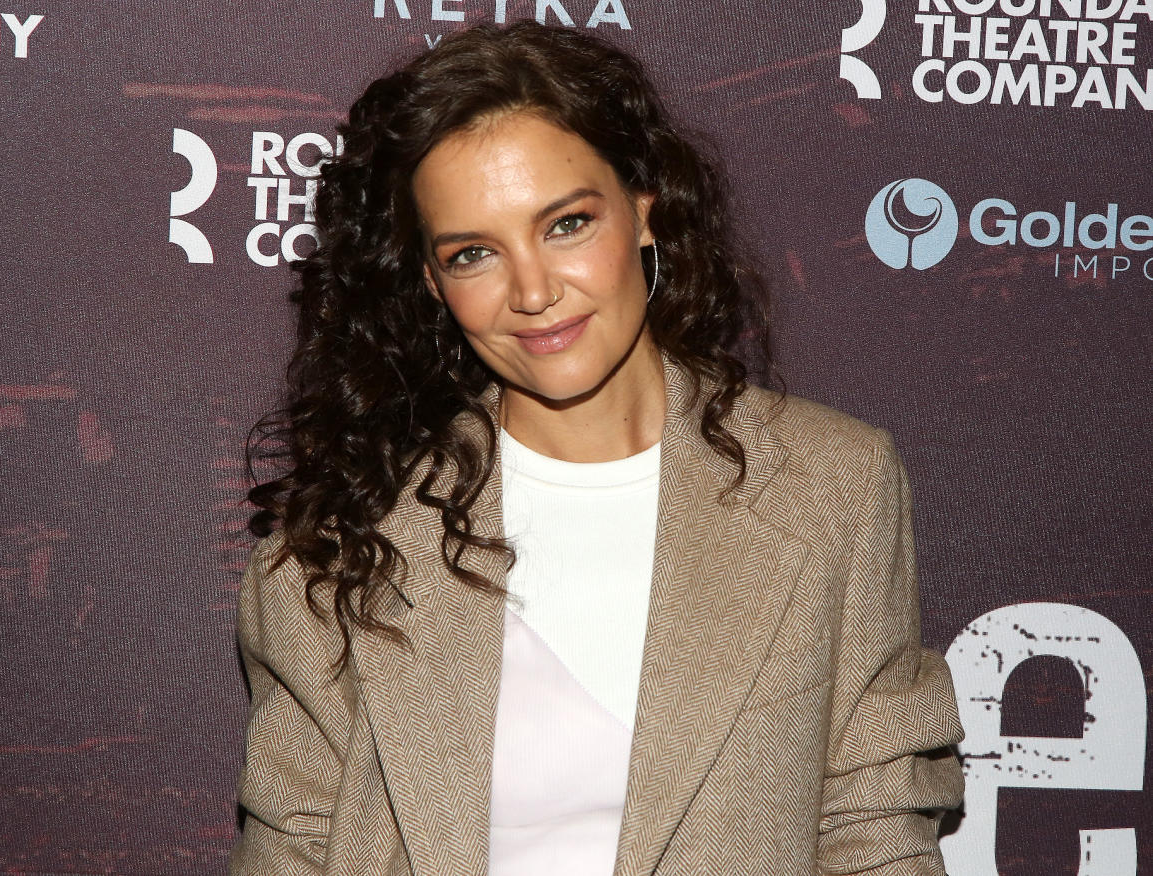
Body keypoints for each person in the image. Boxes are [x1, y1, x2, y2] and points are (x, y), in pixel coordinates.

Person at [230, 19, 965, 876]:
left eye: (567, 224)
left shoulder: (834, 485)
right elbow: (294, 846)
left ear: (643, 210)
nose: (534, 290)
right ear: (433, 283)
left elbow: (874, 833)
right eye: (474, 253)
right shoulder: (346, 539)